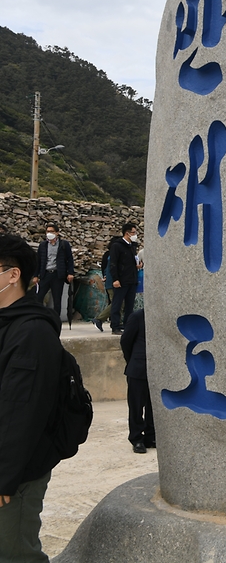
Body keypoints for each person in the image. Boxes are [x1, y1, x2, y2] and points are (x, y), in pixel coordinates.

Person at [0, 234, 64, 561]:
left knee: (14, 553)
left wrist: (5, 479)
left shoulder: (32, 332)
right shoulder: (7, 324)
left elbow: (20, 414)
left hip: (16, 478)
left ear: (13, 275)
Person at [120, 309, 154, 454]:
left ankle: (151, 436)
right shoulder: (137, 316)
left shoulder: (161, 316)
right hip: (138, 368)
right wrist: (132, 360)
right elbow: (125, 341)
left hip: (156, 370)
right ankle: (136, 438)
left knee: (153, 407)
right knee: (136, 407)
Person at [34, 223, 74, 318]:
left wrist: (70, 273)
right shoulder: (43, 245)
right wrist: (35, 275)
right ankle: (38, 317)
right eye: (48, 231)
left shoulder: (63, 244)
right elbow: (38, 261)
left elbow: (70, 259)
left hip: (57, 274)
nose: (49, 233)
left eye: (52, 231)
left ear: (57, 233)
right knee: (39, 297)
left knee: (57, 299)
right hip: (45, 274)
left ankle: (55, 319)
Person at [109, 223, 139, 335]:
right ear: (127, 233)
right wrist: (115, 279)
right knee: (117, 304)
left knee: (130, 305)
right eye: (133, 233)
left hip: (132, 279)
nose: (135, 235)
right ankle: (115, 326)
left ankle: (128, 325)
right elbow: (113, 263)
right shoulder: (117, 246)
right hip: (121, 280)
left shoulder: (132, 246)